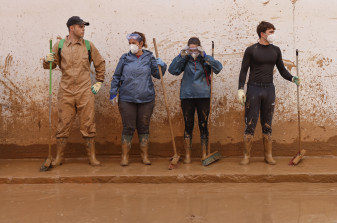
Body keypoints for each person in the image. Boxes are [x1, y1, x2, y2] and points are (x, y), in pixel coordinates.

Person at [43, 16, 105, 167]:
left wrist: (99, 82)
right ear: (72, 28)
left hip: (85, 90)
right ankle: (59, 157)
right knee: (63, 124)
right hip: (66, 91)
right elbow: (50, 67)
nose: (83, 29)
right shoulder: (59, 45)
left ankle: (92, 158)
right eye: (80, 26)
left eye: (84, 27)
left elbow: (100, 63)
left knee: (88, 123)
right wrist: (47, 60)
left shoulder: (89, 46)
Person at [238, 21, 300, 165]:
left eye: (273, 31)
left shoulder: (276, 50)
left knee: (267, 123)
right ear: (262, 33)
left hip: (269, 89)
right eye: (271, 32)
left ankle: (268, 156)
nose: (273, 34)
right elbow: (243, 71)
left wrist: (292, 78)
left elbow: (282, 69)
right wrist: (241, 89)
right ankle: (246, 156)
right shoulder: (251, 50)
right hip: (253, 88)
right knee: (250, 122)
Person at [110, 32, 167, 166]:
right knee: (128, 127)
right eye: (129, 43)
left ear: (141, 44)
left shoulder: (150, 57)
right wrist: (113, 92)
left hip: (146, 98)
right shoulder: (124, 58)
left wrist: (162, 65)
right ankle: (124, 156)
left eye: (134, 43)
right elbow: (116, 76)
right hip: (127, 98)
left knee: (144, 127)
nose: (131, 45)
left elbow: (158, 75)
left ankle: (145, 156)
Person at [168, 37, 223, 164]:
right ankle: (188, 155)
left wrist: (206, 56)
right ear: (187, 49)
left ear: (199, 48)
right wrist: (181, 56)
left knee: (203, 124)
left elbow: (218, 68)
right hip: (187, 96)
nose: (193, 52)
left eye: (196, 49)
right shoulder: (185, 59)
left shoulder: (205, 59)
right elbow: (172, 71)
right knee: (188, 124)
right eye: (190, 49)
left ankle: (204, 153)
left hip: (203, 95)